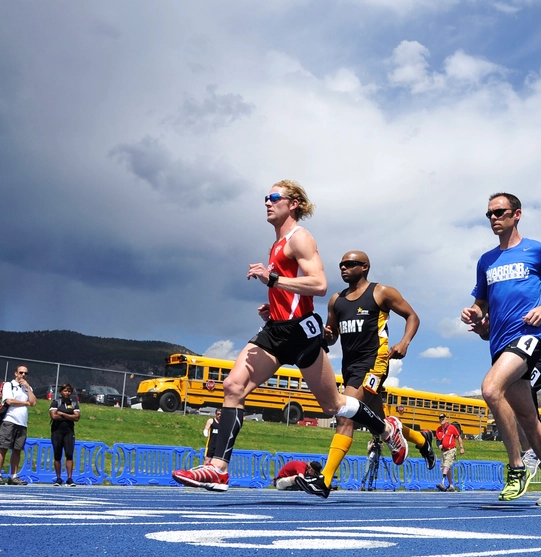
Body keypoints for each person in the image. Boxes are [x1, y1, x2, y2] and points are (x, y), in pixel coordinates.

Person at [171, 180, 406, 494]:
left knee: (333, 405)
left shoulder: (300, 238)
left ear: (293, 203)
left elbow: (319, 284)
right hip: (276, 330)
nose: (267, 202)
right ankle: (218, 469)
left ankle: (387, 428)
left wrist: (273, 279)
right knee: (233, 385)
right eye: (265, 198)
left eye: (274, 197)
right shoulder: (275, 244)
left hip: (301, 332)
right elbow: (291, 289)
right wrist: (274, 306)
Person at [461, 192, 541, 510]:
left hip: (530, 337)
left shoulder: (538, 250)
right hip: (499, 343)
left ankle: (516, 468)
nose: (494, 218)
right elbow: (481, 304)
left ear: (517, 214)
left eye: (499, 212)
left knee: (489, 388)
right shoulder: (486, 260)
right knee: (527, 417)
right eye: (489, 214)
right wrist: (474, 314)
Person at [316, 250, 434, 494]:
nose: (343, 268)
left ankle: (324, 480)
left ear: (365, 267)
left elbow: (412, 316)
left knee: (345, 414)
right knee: (376, 423)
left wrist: (404, 342)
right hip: (349, 367)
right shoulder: (335, 300)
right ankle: (422, 440)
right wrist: (328, 335)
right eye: (341, 264)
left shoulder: (381, 292)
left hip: (374, 362)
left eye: (349, 264)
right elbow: (333, 335)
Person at [468, 281, 541, 505]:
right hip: (509, 353)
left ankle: (527, 457)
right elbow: (494, 333)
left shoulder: (536, 284)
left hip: (537, 358)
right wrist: (482, 331)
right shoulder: (497, 288)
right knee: (528, 417)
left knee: (500, 392)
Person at [0, 366, 37, 485]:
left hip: (22, 422)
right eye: (21, 372)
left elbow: (33, 402)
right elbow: (9, 401)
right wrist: (25, 403)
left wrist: (27, 387)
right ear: (16, 373)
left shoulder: (27, 388)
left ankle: (14, 475)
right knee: (3, 447)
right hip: (9, 420)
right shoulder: (9, 385)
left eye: (25, 373)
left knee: (17, 450)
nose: (23, 375)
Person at [49, 383, 81, 486]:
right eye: (65, 391)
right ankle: (58, 478)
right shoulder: (56, 403)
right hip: (57, 431)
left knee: (69, 454)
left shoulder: (74, 403)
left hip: (69, 431)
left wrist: (62, 414)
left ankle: (70, 478)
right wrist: (69, 416)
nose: (67, 393)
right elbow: (54, 416)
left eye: (69, 391)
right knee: (57, 455)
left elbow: (76, 417)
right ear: (61, 392)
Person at [435, 413, 464, 491]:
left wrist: (461, 447)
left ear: (446, 420)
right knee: (446, 468)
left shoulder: (451, 428)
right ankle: (451, 485)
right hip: (443, 451)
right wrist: (439, 445)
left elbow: (458, 437)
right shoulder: (438, 430)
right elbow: (438, 441)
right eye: (440, 419)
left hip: (451, 449)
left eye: (443, 419)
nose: (441, 420)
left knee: (446, 465)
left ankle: (442, 483)